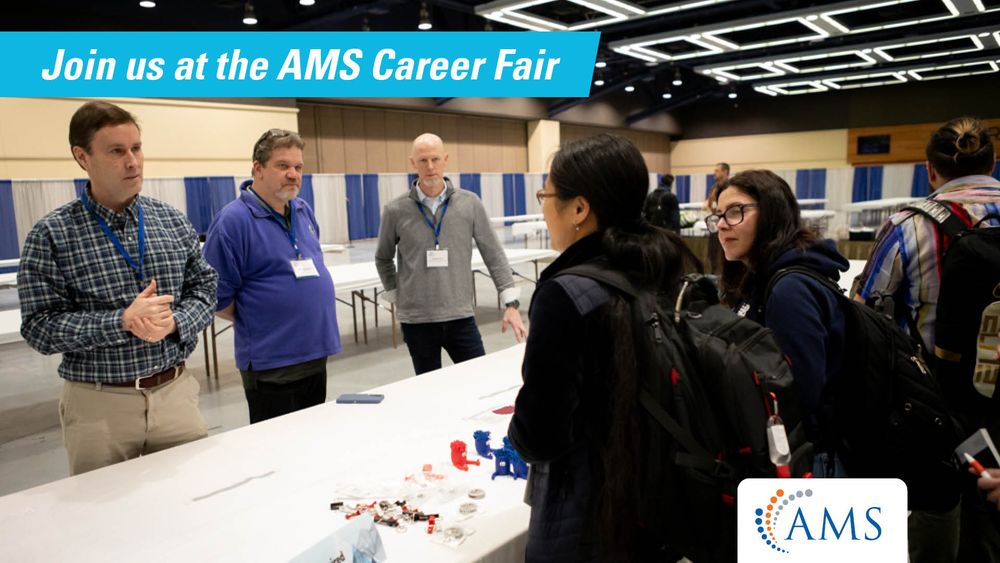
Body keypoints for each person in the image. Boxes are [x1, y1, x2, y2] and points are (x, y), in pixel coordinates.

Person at [509, 134, 694, 561]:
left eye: (546, 194)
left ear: (579, 208)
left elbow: (541, 434)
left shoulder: (566, 293)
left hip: (590, 513)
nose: (543, 206)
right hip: (661, 494)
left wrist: (518, 429)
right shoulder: (661, 266)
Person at [17, 101, 217, 475]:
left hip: (174, 394)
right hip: (99, 406)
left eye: (136, 148)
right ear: (82, 157)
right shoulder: (52, 235)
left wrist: (174, 322)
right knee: (104, 523)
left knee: (190, 506)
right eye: (116, 151)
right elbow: (39, 328)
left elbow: (206, 287)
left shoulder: (170, 220)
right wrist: (121, 321)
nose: (133, 162)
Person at [852, 117, 1000, 563]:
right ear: (993, 164)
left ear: (929, 170)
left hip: (939, 400)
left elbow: (866, 311)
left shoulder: (907, 225)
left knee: (941, 504)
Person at [710, 169, 850, 477]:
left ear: (772, 212)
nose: (721, 225)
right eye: (718, 215)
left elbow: (799, 393)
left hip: (811, 461)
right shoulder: (764, 281)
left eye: (736, 212)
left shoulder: (790, 290)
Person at [203, 129, 340, 423]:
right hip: (272, 366)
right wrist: (263, 318)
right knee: (276, 456)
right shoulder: (233, 221)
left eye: (298, 167)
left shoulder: (302, 210)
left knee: (312, 439)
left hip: (315, 354)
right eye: (282, 166)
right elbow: (214, 296)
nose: (293, 174)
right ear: (258, 169)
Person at [375, 133, 526, 375]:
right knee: (430, 391)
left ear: (445, 159)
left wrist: (511, 303)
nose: (430, 166)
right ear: (413, 163)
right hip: (417, 322)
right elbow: (382, 257)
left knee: (477, 382)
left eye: (435, 158)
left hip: (460, 316)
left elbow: (494, 254)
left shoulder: (470, 203)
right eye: (423, 160)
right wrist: (397, 294)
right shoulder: (395, 209)